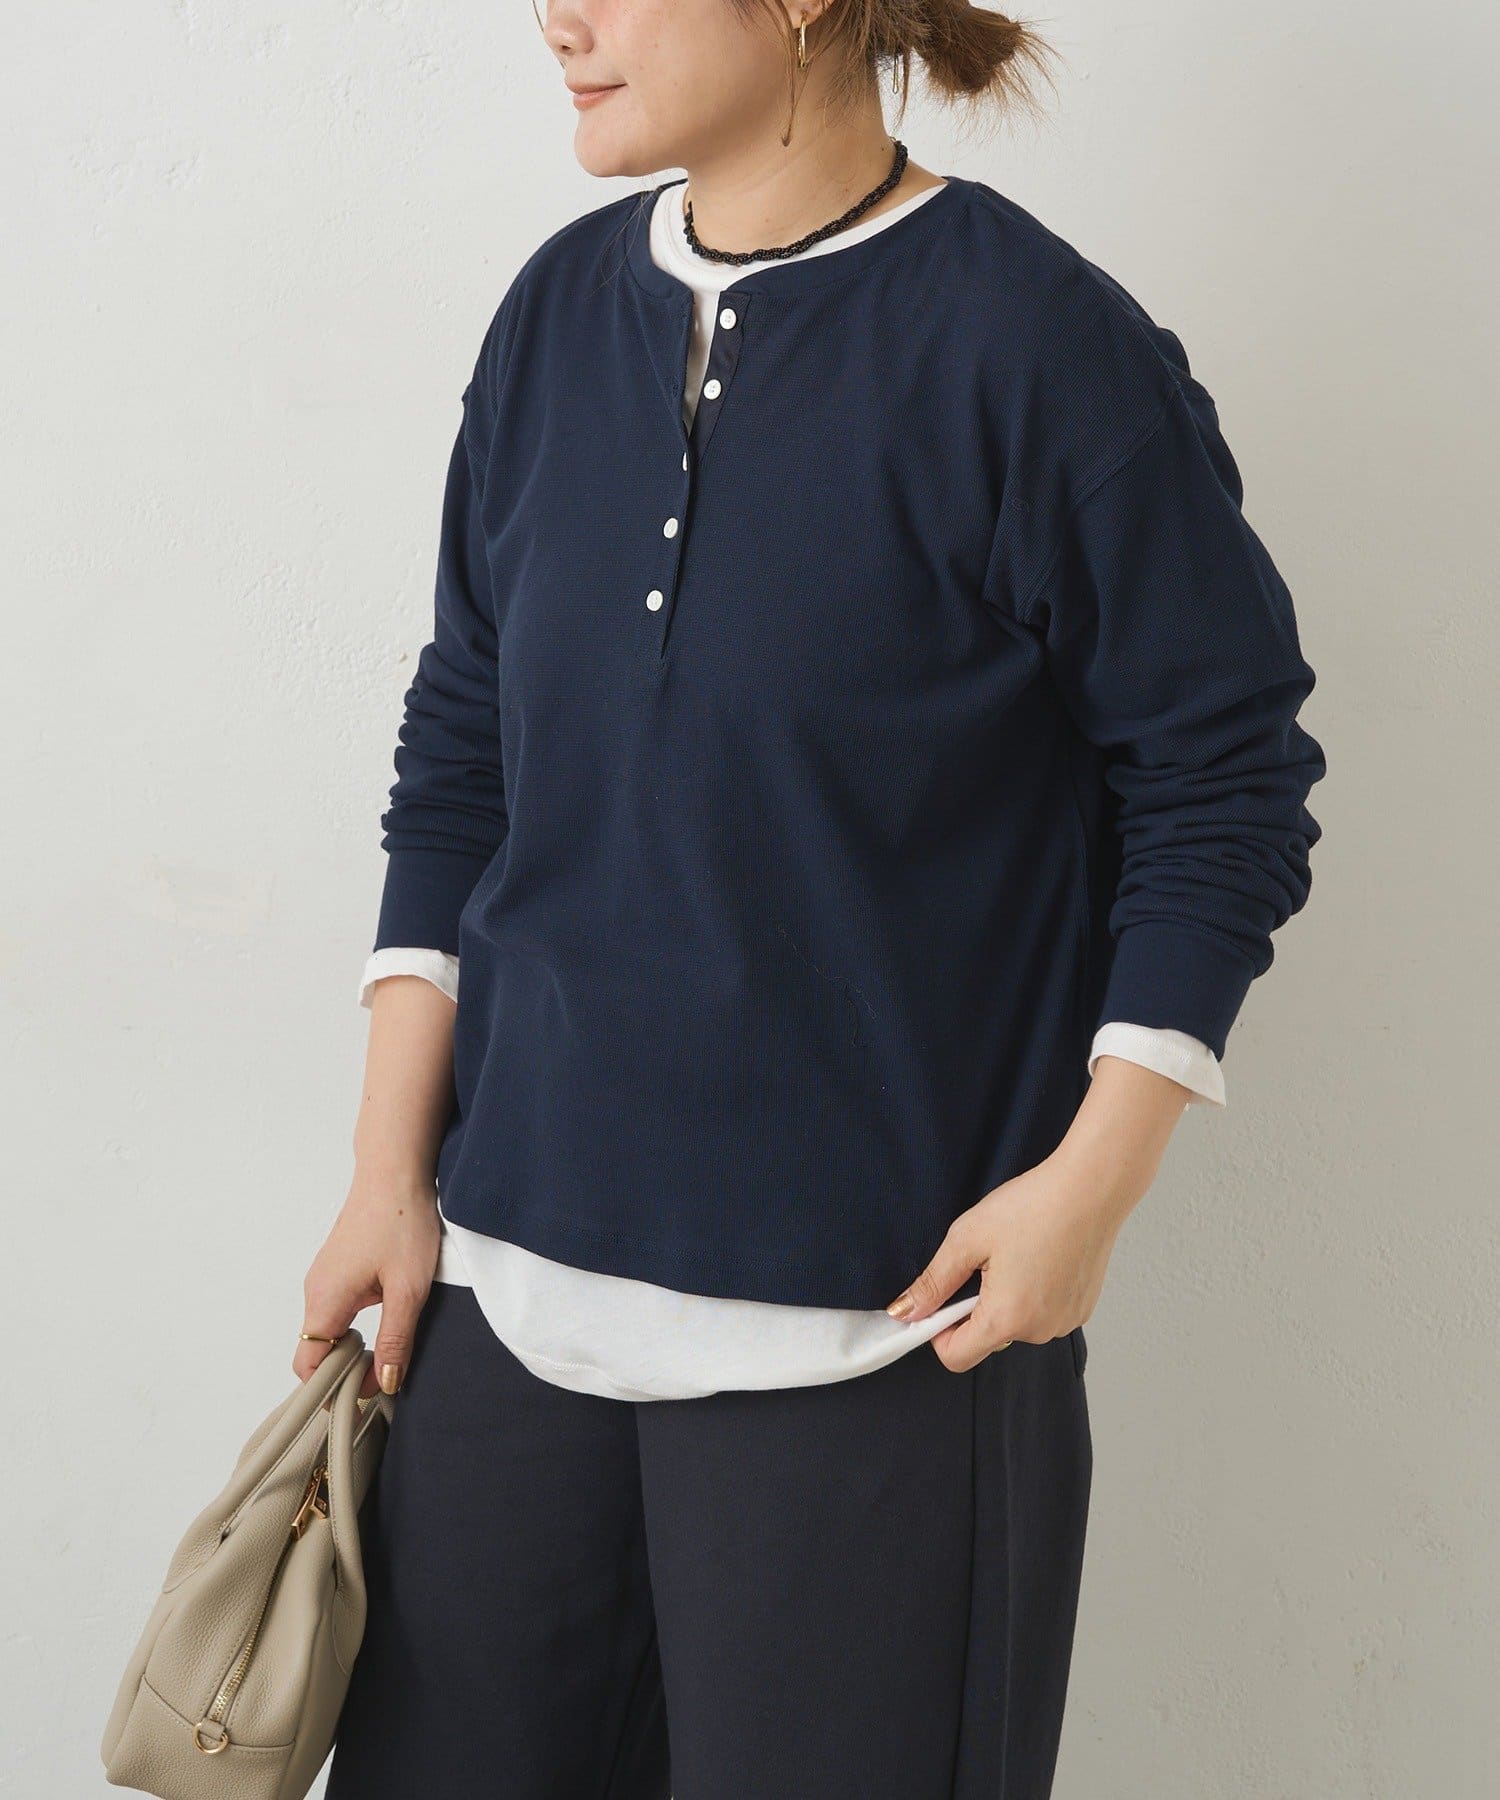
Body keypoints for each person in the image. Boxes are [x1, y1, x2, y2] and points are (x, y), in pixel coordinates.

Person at [307, 3, 1327, 1794]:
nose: (558, 17)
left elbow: (1222, 778)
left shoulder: (1039, 347)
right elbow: (464, 746)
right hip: (503, 1316)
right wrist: (389, 1177)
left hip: (879, 1342)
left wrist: (1093, 1186)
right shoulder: (555, 317)